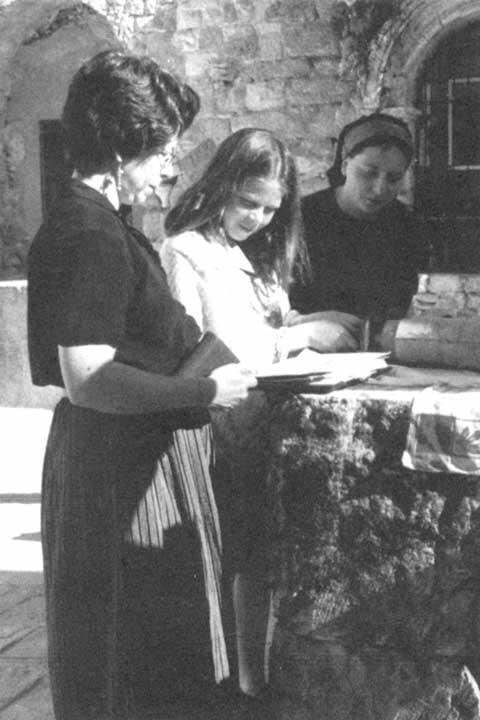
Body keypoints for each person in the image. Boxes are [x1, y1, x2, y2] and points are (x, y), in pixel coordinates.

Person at [27, 50, 257, 720]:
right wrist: (207, 394)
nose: (170, 168)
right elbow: (90, 378)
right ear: (124, 147)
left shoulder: (97, 224)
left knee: (143, 649)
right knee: (133, 656)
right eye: (162, 151)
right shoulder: (88, 232)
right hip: (118, 469)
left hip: (123, 458)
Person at [159, 127, 363, 704]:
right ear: (220, 186)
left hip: (259, 426)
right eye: (248, 202)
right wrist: (292, 340)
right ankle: (228, 684)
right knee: (229, 559)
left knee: (258, 559)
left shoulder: (247, 252)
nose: (258, 218)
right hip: (217, 430)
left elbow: (266, 323)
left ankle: (253, 679)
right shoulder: (186, 251)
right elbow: (192, 347)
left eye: (271, 208)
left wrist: (302, 323)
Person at [290, 112, 431, 344]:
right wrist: (309, 321)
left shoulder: (405, 226)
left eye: (393, 178)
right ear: (345, 165)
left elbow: (401, 303)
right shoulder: (301, 219)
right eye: (368, 173)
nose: (379, 189)